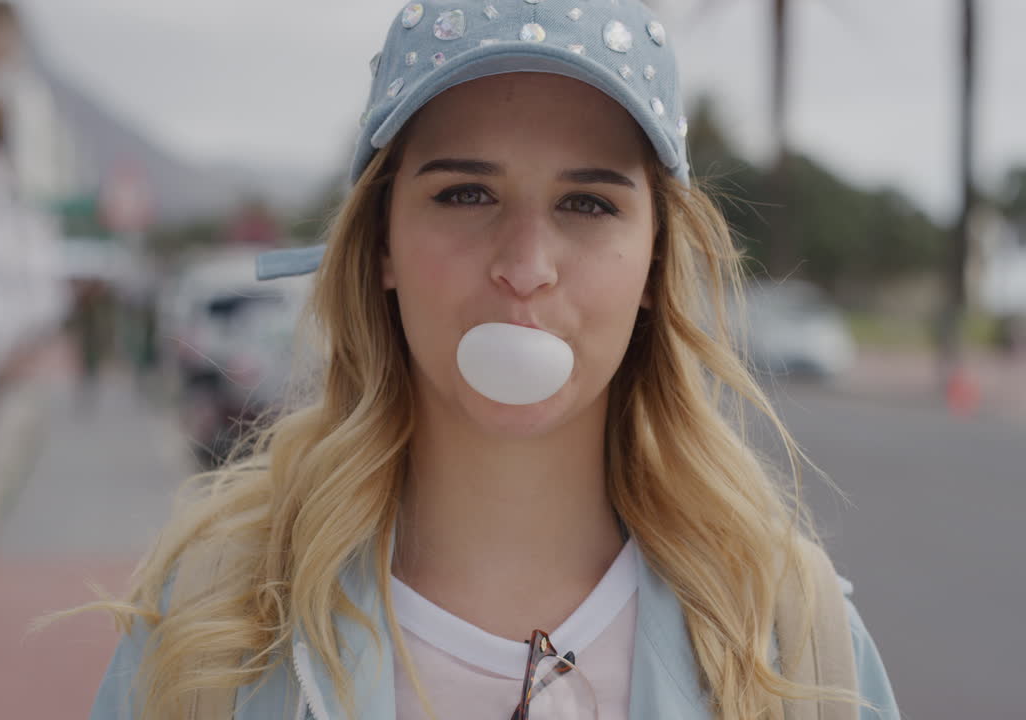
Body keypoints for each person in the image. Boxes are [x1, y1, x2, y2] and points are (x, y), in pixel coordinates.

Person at [85, 1, 900, 718]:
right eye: (465, 194)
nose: (525, 264)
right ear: (381, 246)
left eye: (588, 202)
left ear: (655, 261)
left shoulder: (788, 637)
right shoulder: (210, 625)